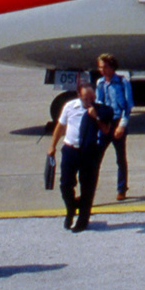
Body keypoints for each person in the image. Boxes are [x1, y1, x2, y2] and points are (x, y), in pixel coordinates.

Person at [46, 81, 112, 232]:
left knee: (87, 186)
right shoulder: (70, 106)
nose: (89, 102)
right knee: (65, 184)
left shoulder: (99, 108)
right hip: (70, 149)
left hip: (89, 151)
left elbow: (106, 130)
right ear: (78, 96)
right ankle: (71, 208)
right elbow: (60, 126)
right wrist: (52, 146)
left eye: (92, 98)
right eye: (85, 99)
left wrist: (96, 117)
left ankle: (83, 220)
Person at [94, 54, 133, 201]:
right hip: (105, 123)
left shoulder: (122, 82)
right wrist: (101, 124)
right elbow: (98, 103)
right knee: (96, 159)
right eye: (100, 67)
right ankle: (91, 190)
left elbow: (127, 106)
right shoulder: (100, 83)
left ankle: (121, 189)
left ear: (111, 67)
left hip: (117, 122)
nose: (102, 70)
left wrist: (121, 126)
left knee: (120, 159)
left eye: (104, 67)